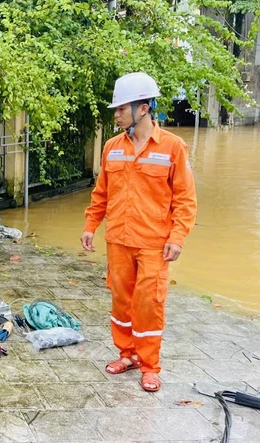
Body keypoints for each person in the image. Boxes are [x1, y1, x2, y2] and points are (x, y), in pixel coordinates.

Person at [81, 72, 197, 392]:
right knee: (121, 301)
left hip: (153, 244)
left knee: (149, 303)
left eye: (121, 108)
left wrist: (177, 237)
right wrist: (91, 225)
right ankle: (127, 354)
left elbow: (185, 199)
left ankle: (150, 365)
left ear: (143, 109)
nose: (116, 114)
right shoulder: (111, 148)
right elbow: (101, 192)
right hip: (118, 239)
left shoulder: (173, 148)